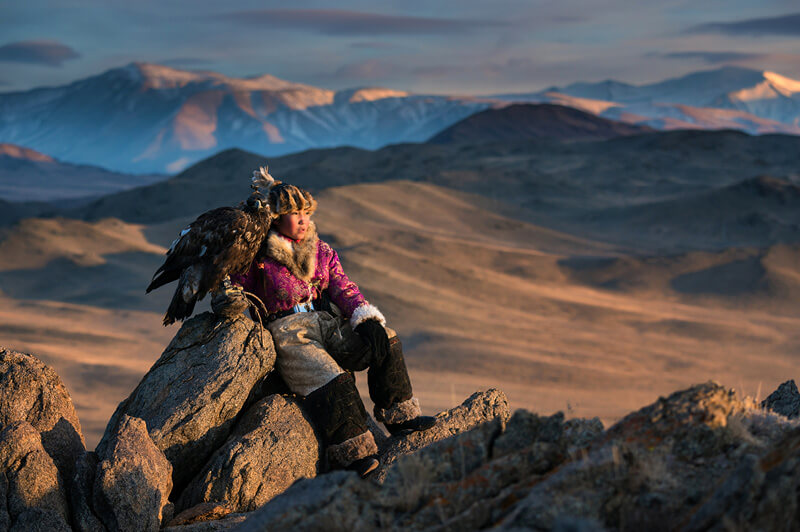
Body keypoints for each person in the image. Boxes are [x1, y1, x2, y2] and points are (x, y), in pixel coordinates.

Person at [226, 171, 435, 477]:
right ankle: (354, 453)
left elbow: (342, 286)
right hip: (289, 332)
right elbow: (233, 284)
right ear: (275, 217)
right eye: (294, 213)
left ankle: (400, 415)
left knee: (386, 338)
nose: (302, 219)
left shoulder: (321, 250)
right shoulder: (256, 253)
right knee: (330, 377)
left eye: (306, 212)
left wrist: (364, 317)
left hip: (328, 322)